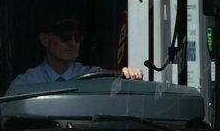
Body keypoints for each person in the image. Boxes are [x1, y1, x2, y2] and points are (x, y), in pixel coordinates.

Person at [10, 15, 143, 88]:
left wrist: (129, 78)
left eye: (77, 37)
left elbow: (118, 92)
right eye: (65, 36)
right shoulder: (24, 84)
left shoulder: (95, 77)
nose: (73, 43)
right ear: (45, 40)